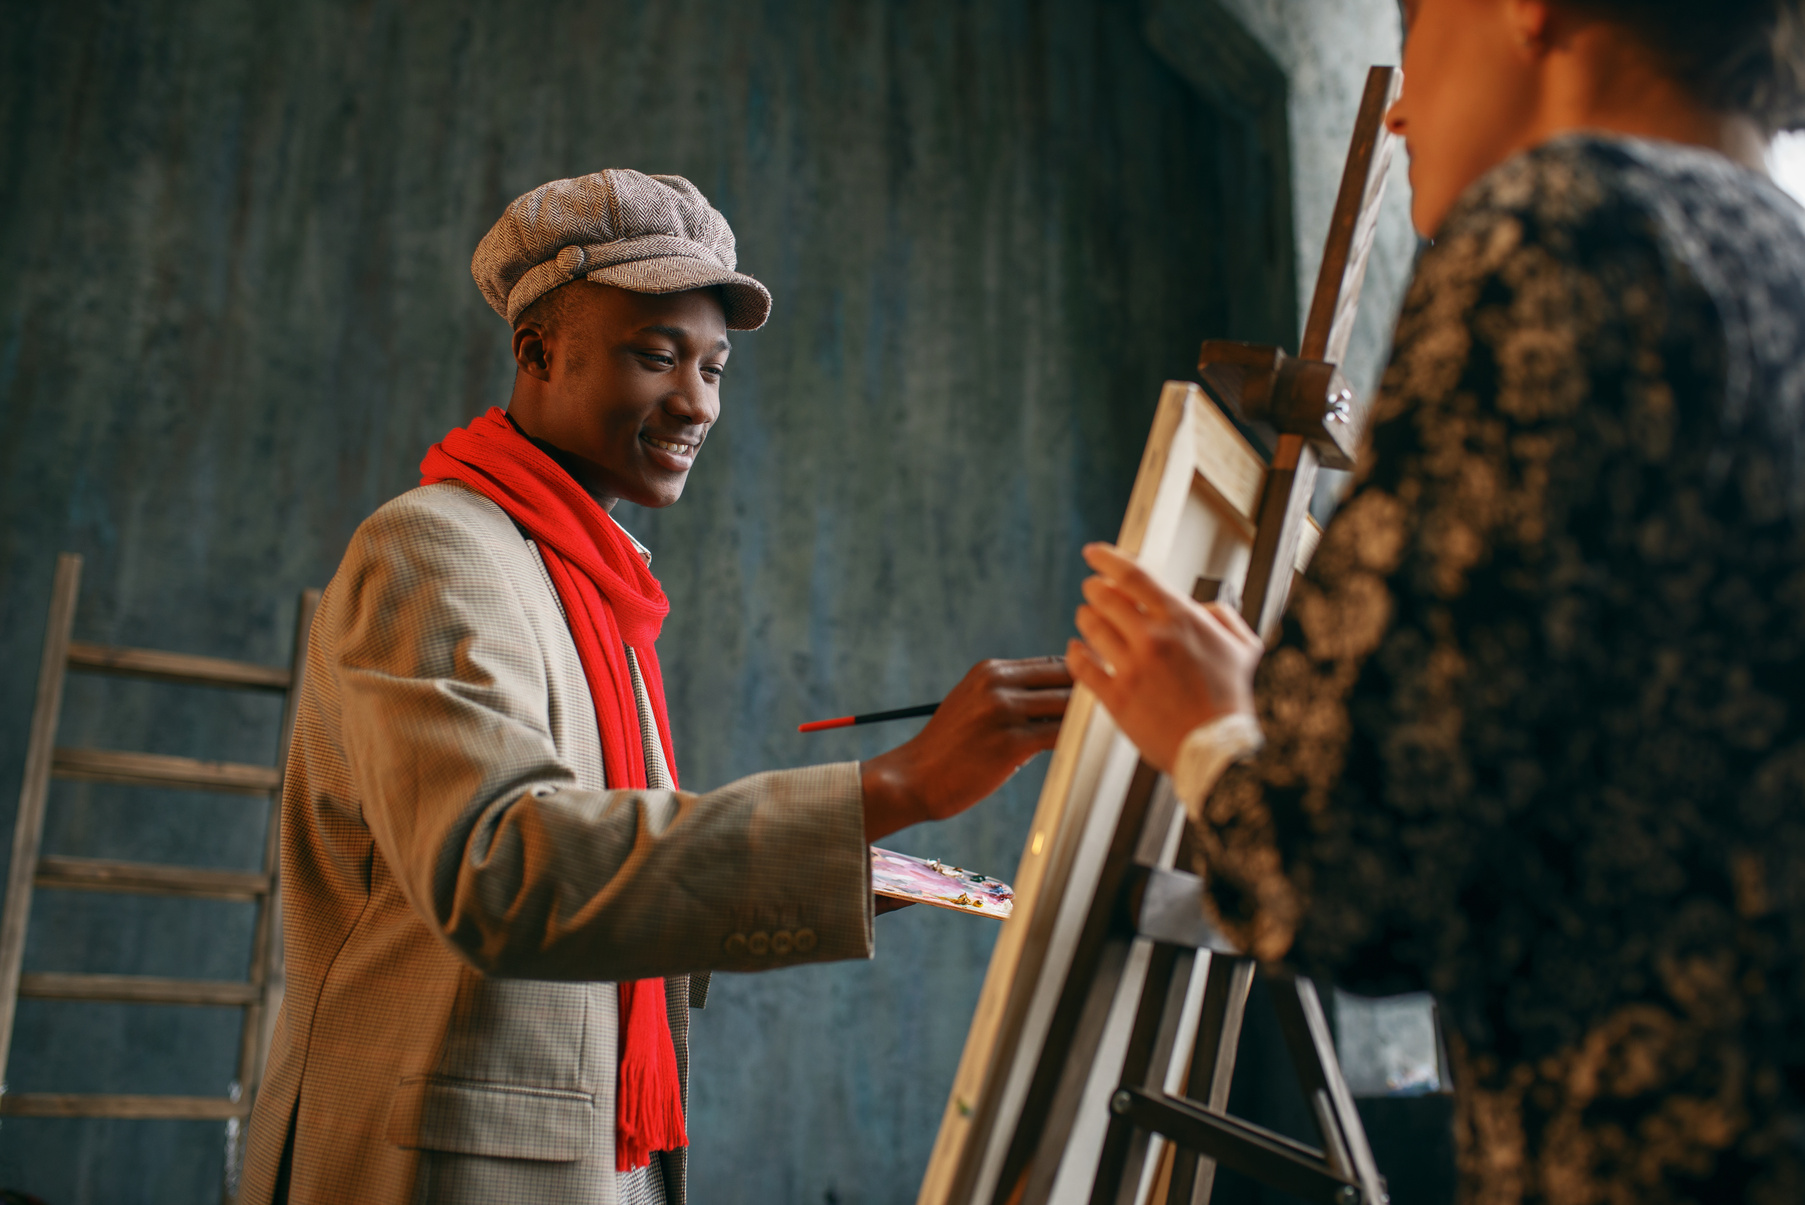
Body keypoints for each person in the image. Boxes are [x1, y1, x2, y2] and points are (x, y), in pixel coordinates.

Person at [1066, 1, 1805, 1201]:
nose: (1398, 103)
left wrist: (1206, 729)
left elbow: (1359, 881)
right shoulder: (1774, 262)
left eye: (1416, 24)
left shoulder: (1565, 229)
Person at [240, 169, 1071, 1205]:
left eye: (715, 368)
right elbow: (500, 870)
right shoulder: (435, 550)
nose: (696, 402)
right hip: (436, 1167)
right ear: (535, 349)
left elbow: (606, 879)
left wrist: (827, 864)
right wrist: (889, 786)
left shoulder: (597, 582)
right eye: (656, 355)